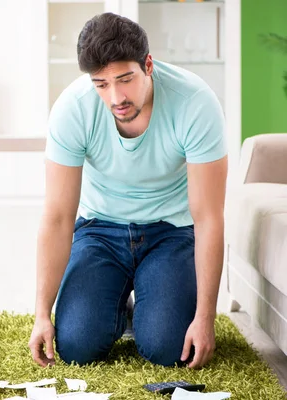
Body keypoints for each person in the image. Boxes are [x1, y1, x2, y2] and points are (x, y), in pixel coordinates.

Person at [28, 12, 228, 369]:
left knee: (170, 349)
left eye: (125, 79)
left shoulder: (195, 102)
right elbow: (58, 217)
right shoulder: (73, 109)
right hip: (100, 229)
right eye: (101, 84)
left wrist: (205, 318)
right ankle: (118, 301)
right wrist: (42, 313)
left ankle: (149, 302)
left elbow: (208, 217)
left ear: (148, 65)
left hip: (170, 231)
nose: (115, 96)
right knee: (76, 346)